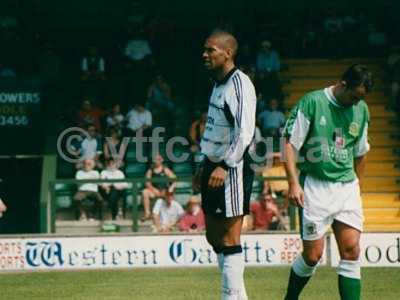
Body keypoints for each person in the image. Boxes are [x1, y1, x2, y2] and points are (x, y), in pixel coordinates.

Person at [282, 64, 373, 300]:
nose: (356, 103)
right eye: (354, 96)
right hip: (315, 186)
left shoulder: (361, 110)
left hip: (346, 187)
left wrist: (357, 186)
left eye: (360, 99)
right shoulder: (312, 102)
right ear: (343, 84)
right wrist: (293, 183)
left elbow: (361, 152)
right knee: (312, 256)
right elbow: (290, 144)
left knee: (352, 250)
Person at [193, 30, 256, 299]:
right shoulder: (217, 83)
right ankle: (238, 295)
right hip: (212, 164)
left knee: (230, 240)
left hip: (232, 168)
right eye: (204, 50)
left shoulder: (240, 84)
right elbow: (215, 130)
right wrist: (203, 163)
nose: (204, 54)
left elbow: (244, 133)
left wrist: (226, 165)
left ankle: (230, 297)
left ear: (227, 53)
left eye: (211, 50)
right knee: (213, 238)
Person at [141, 154, 176, 220]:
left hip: (164, 191)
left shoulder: (165, 169)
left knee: (170, 193)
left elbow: (174, 178)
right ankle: (147, 213)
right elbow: (147, 183)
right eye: (154, 160)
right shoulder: (150, 170)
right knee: (145, 192)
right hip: (154, 191)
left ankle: (171, 215)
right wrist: (154, 189)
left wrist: (171, 187)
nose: (155, 161)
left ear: (161, 160)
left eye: (157, 159)